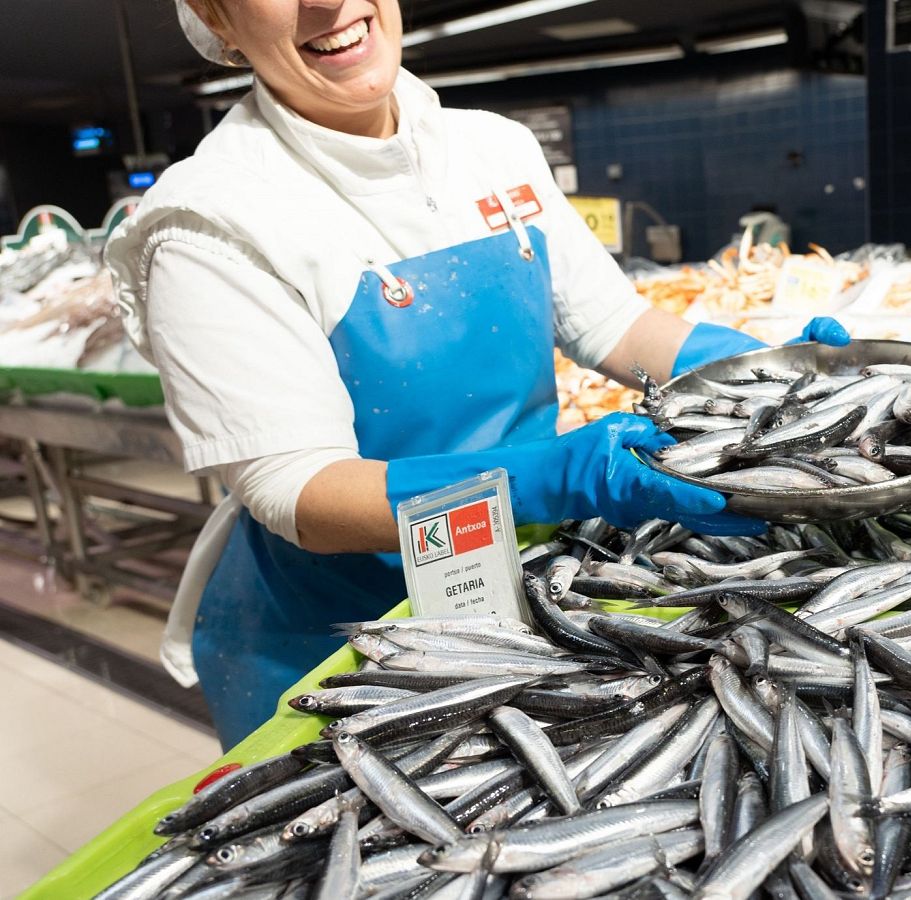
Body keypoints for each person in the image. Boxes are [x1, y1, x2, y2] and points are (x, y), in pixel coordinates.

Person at [107, 0, 849, 748]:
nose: (328, 1)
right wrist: (547, 480)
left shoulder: (493, 148)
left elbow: (611, 325)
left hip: (518, 591)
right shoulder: (207, 220)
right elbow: (295, 488)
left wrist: (770, 371)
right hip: (344, 643)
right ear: (218, 19)